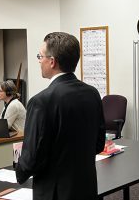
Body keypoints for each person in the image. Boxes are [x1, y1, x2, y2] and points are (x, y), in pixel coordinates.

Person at [15, 32, 105, 200]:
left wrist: (19, 171)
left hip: (54, 192)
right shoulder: (92, 93)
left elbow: (32, 156)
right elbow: (99, 143)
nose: (39, 61)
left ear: (52, 61)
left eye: (40, 56)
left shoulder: (40, 101)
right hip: (86, 186)